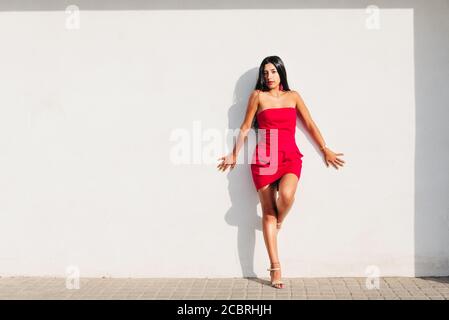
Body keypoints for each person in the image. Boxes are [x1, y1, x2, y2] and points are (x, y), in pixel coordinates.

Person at [217, 56, 345, 289]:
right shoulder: (257, 96)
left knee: (286, 197)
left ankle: (279, 221)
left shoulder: (293, 96)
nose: (269, 76)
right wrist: (234, 153)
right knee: (267, 212)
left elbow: (310, 123)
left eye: (273, 72)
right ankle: (275, 268)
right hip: (264, 157)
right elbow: (245, 127)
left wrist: (325, 149)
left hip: (289, 157)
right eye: (265, 73)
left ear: (280, 72)